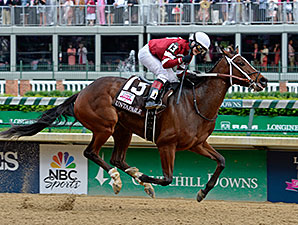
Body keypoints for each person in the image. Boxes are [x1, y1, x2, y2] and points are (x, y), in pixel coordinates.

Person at [138, 31, 211, 109]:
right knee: (164, 75)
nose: (199, 52)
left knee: (174, 80)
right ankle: (151, 100)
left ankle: (166, 101)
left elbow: (179, 73)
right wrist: (181, 60)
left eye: (202, 51)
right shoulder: (178, 45)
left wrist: (193, 75)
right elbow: (165, 64)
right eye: (199, 48)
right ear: (192, 42)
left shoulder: (189, 54)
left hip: (158, 56)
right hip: (147, 52)